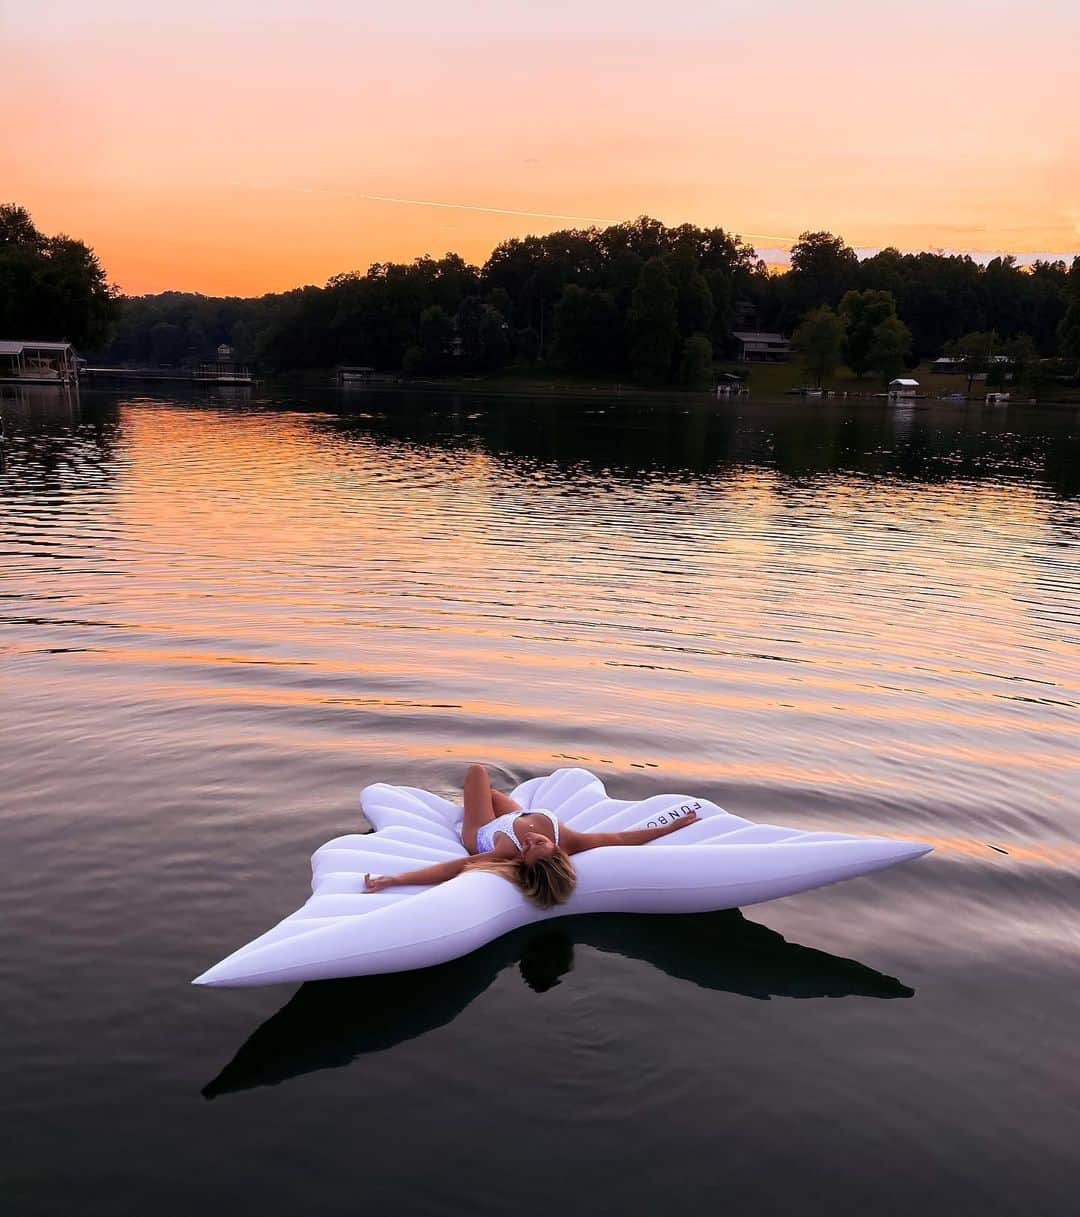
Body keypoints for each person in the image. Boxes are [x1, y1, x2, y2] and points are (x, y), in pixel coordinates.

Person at [363, 763, 698, 909]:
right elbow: (621, 839)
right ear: (556, 849)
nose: (531, 842)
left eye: (528, 848)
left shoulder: (507, 850)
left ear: (521, 859)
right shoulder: (567, 839)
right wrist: (670, 826)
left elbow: (454, 867)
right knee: (490, 790)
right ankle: (483, 799)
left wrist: (394, 879)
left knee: (476, 772)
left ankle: (469, 808)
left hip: (482, 832)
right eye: (538, 843)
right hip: (514, 816)